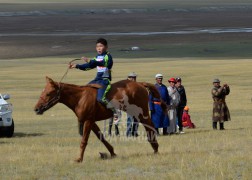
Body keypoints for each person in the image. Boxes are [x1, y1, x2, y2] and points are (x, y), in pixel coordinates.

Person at [69, 38, 116, 114]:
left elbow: (103, 63)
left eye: (101, 46)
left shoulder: (108, 56)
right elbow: (88, 66)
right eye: (97, 46)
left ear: (106, 47)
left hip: (104, 80)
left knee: (101, 99)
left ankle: (115, 111)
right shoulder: (97, 57)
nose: (99, 48)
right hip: (97, 79)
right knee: (85, 91)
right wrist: (76, 66)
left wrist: (90, 61)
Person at [126, 72, 139, 137]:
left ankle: (134, 133)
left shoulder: (137, 86)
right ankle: (128, 134)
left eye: (135, 77)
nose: (134, 79)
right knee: (129, 119)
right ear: (130, 78)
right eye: (133, 77)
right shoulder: (127, 86)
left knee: (136, 120)